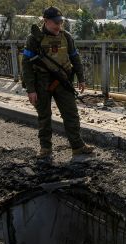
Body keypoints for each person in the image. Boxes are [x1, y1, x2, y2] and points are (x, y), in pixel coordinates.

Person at [21, 6, 94, 160]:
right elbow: (26, 65)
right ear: (45, 21)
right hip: (41, 82)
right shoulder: (33, 39)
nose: (59, 26)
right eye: (55, 22)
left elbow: (75, 58)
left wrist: (81, 78)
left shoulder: (66, 37)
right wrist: (30, 89)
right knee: (44, 115)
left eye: (61, 22)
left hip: (62, 80)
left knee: (71, 114)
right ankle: (45, 148)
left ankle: (78, 146)